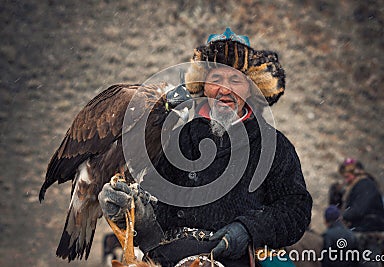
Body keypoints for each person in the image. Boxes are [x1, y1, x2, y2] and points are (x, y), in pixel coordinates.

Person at [99, 28, 312, 267]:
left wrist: (247, 229)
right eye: (216, 79)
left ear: (252, 87)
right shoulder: (176, 138)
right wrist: (133, 211)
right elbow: (157, 210)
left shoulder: (273, 145)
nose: (224, 89)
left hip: (237, 260)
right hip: (170, 259)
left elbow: (296, 209)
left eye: (235, 80)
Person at [338, 158, 384, 267]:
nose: (346, 180)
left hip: (369, 234)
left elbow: (359, 209)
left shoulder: (365, 185)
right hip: (366, 232)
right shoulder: (363, 185)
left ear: (356, 173)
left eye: (347, 176)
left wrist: (342, 216)